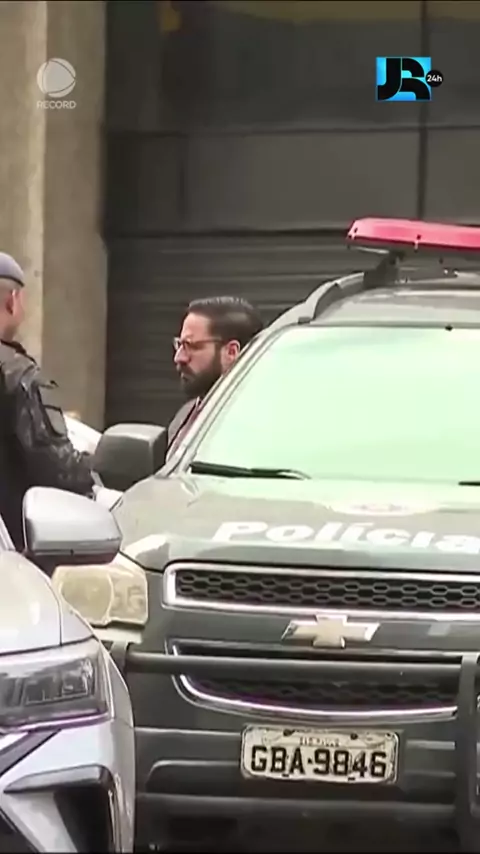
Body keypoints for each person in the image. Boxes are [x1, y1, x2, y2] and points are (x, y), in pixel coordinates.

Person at [0, 252, 95, 549]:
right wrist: (98, 466)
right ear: (12, 300)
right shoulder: (18, 374)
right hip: (13, 553)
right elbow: (58, 470)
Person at [167, 295, 263, 455]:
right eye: (180, 344)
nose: (179, 357)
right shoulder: (185, 416)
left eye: (191, 346)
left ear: (231, 352)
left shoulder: (260, 427)